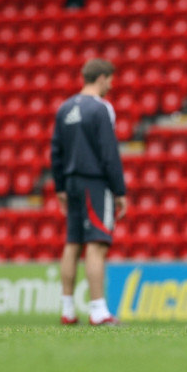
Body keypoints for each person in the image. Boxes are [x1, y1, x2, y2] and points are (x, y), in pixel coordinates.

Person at [50, 58, 127, 326]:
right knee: (96, 244)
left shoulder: (64, 108)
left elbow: (56, 151)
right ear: (102, 78)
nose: (111, 85)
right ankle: (98, 311)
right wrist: (119, 191)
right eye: (111, 80)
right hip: (94, 182)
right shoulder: (101, 108)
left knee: (72, 244)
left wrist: (60, 186)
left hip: (70, 183)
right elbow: (109, 153)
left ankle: (68, 311)